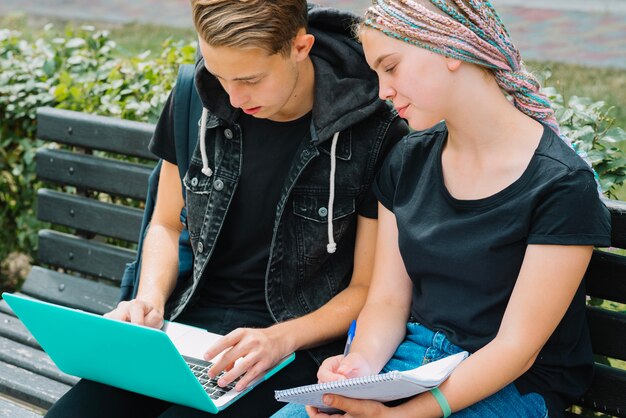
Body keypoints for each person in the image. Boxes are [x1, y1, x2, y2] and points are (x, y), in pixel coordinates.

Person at [44, 1, 408, 418]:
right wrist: (149, 301)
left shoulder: (374, 131)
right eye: (219, 75)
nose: (232, 97)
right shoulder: (194, 94)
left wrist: (281, 339)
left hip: (291, 346)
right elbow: (164, 223)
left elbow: (366, 289)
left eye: (249, 79)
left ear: (300, 47)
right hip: (182, 330)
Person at [273, 1, 611, 417]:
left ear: (449, 49)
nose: (383, 91)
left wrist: (401, 415)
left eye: (391, 67)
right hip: (411, 364)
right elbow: (388, 302)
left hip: (511, 386)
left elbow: (516, 350)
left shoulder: (561, 184)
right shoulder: (407, 160)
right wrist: (358, 372)